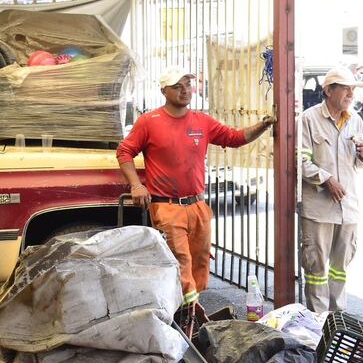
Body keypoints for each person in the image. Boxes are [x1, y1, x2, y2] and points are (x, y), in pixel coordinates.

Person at [116, 66, 274, 308]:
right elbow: (124, 152)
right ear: (164, 91)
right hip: (167, 207)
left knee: (200, 263)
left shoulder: (202, 121)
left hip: (198, 206)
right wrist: (136, 186)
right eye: (177, 87)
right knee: (181, 263)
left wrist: (264, 125)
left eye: (188, 85)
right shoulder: (149, 122)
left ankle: (190, 310)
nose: (185, 91)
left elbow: (234, 138)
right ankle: (186, 315)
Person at [298, 66, 363, 313]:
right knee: (316, 269)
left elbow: (358, 164)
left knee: (340, 270)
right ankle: (318, 324)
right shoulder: (309, 119)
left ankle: (337, 322)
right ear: (329, 91)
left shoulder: (356, 121)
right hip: (319, 210)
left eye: (353, 89)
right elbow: (300, 161)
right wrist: (326, 179)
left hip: (347, 209)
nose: (350, 94)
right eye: (345, 89)